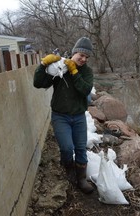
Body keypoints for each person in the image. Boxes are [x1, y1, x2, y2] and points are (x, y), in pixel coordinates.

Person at [33, 37, 94, 194]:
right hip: (61, 116)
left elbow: (85, 90)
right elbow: (39, 83)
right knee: (67, 148)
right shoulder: (59, 67)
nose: (83, 59)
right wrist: (43, 65)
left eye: (86, 57)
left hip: (79, 116)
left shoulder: (86, 71)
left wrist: (74, 72)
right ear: (74, 52)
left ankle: (81, 179)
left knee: (80, 148)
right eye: (81, 55)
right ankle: (68, 169)